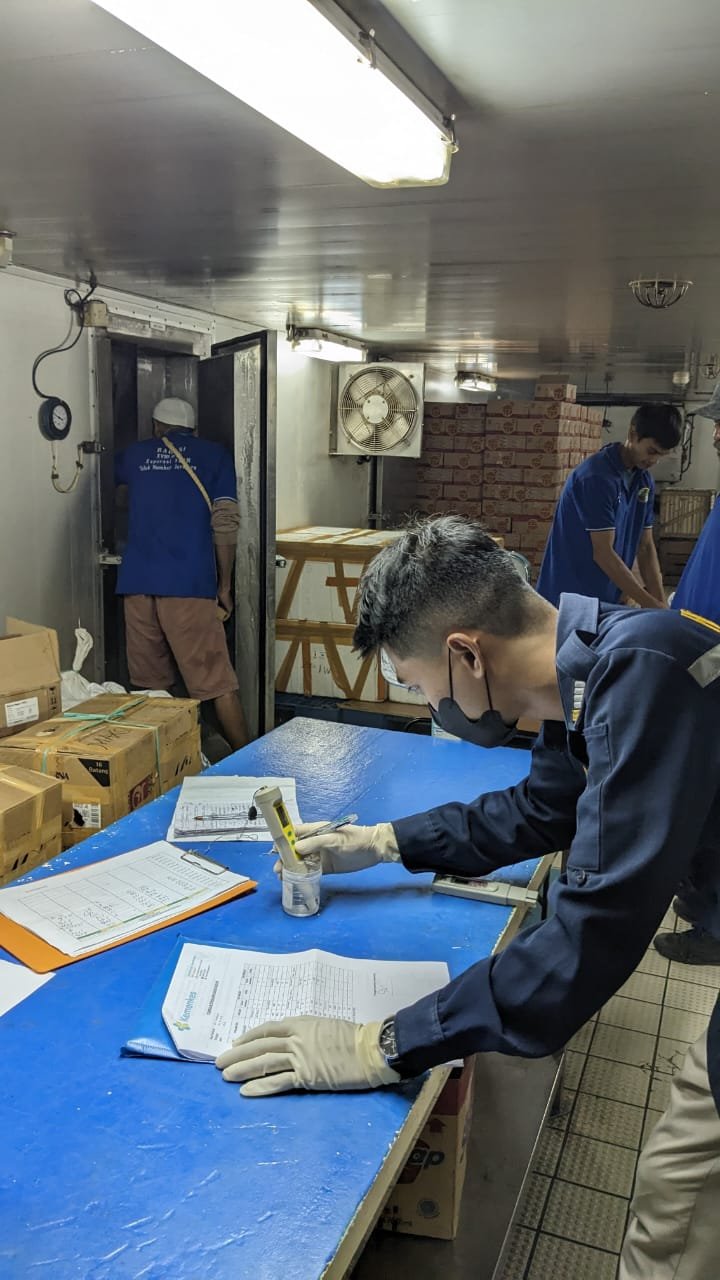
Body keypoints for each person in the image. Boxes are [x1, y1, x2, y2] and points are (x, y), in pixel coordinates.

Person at [215, 516, 720, 1280]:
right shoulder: (591, 670)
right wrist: (384, 841)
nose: (428, 707)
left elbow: (595, 931)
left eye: (418, 685)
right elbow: (541, 810)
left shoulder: (643, 674)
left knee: (680, 1197)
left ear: (466, 654)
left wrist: (384, 1044)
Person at [115, 396, 248, 750]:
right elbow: (225, 523)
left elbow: (120, 497)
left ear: (156, 426)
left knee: (151, 688)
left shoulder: (134, 455)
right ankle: (251, 761)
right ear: (193, 429)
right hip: (189, 585)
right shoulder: (215, 456)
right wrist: (225, 585)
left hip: (137, 584)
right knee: (217, 683)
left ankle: (164, 764)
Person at [652, 385, 720, 965]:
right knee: (702, 798)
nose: (716, 433)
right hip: (700, 666)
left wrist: (698, 667)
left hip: (712, 674)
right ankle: (702, 900)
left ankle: (715, 929)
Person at [536, 403, 682, 608]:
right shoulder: (596, 478)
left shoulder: (643, 480)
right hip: (571, 598)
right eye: (651, 451)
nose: (654, 461)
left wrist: (661, 604)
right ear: (633, 434)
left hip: (606, 599)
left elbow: (646, 547)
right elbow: (603, 553)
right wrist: (649, 604)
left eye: (660, 455)